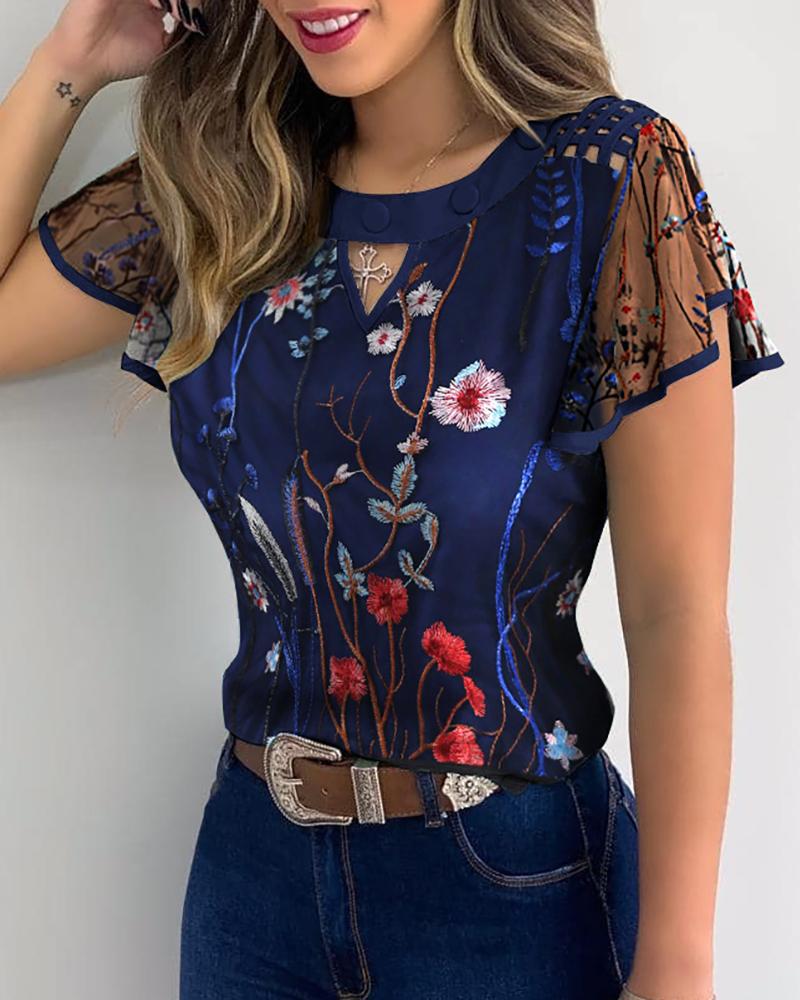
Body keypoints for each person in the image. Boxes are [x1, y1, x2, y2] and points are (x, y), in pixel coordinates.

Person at [0, 1, 784, 998]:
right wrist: (67, 61)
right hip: (251, 882)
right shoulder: (226, 180)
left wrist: (676, 962)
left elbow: (675, 607)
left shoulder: (607, 176)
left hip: (512, 891)